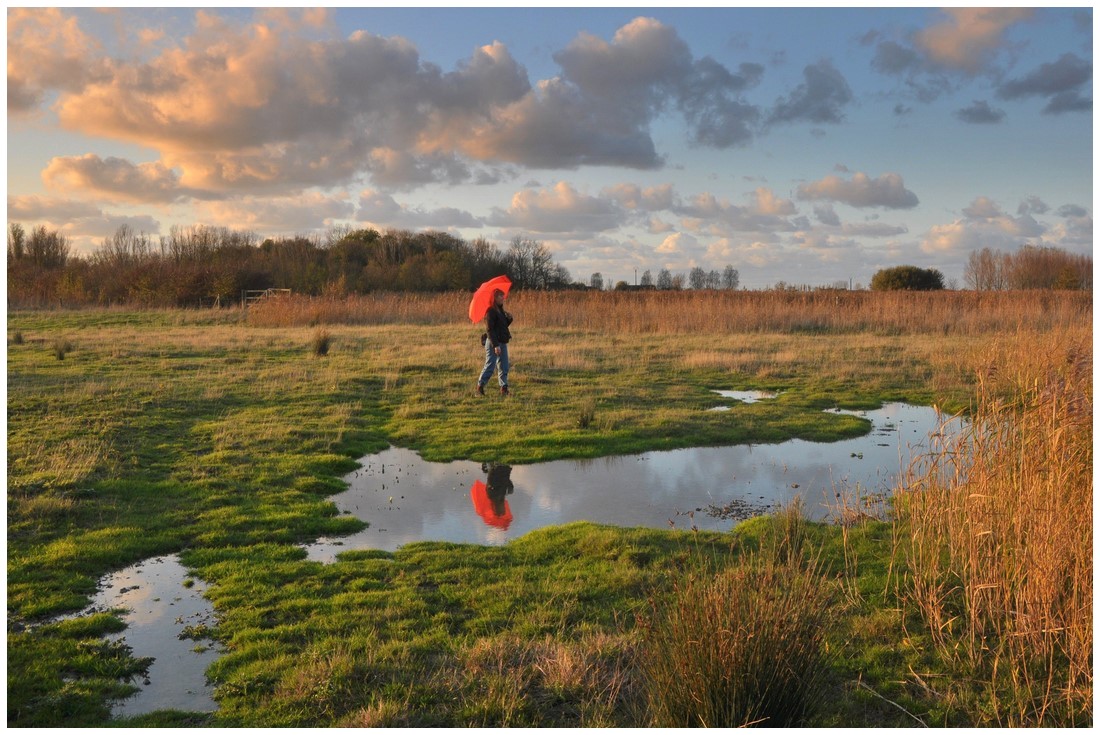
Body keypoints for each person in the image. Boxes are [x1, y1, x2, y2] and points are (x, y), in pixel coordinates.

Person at [477, 288, 513, 396]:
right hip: (493, 343)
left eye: (503, 295)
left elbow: (501, 327)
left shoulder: (500, 311)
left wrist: (509, 319)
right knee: (490, 365)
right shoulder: (490, 311)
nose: (503, 297)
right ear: (495, 298)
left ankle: (504, 389)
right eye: (500, 296)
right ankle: (480, 388)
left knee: (504, 366)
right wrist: (496, 345)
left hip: (502, 342)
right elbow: (490, 330)